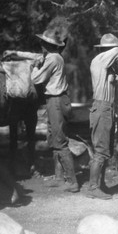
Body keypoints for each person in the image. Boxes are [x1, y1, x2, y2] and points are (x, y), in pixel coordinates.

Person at [30, 29, 79, 193]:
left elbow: (37, 79)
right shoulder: (54, 57)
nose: (41, 45)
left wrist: (35, 67)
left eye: (43, 42)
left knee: (59, 140)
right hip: (54, 99)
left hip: (56, 100)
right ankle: (59, 178)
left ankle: (72, 181)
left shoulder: (52, 58)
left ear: (47, 45)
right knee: (53, 138)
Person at [87, 33, 118, 199]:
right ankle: (93, 188)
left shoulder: (106, 66)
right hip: (101, 108)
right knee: (100, 150)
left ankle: (100, 184)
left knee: (106, 149)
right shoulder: (99, 60)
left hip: (107, 109)